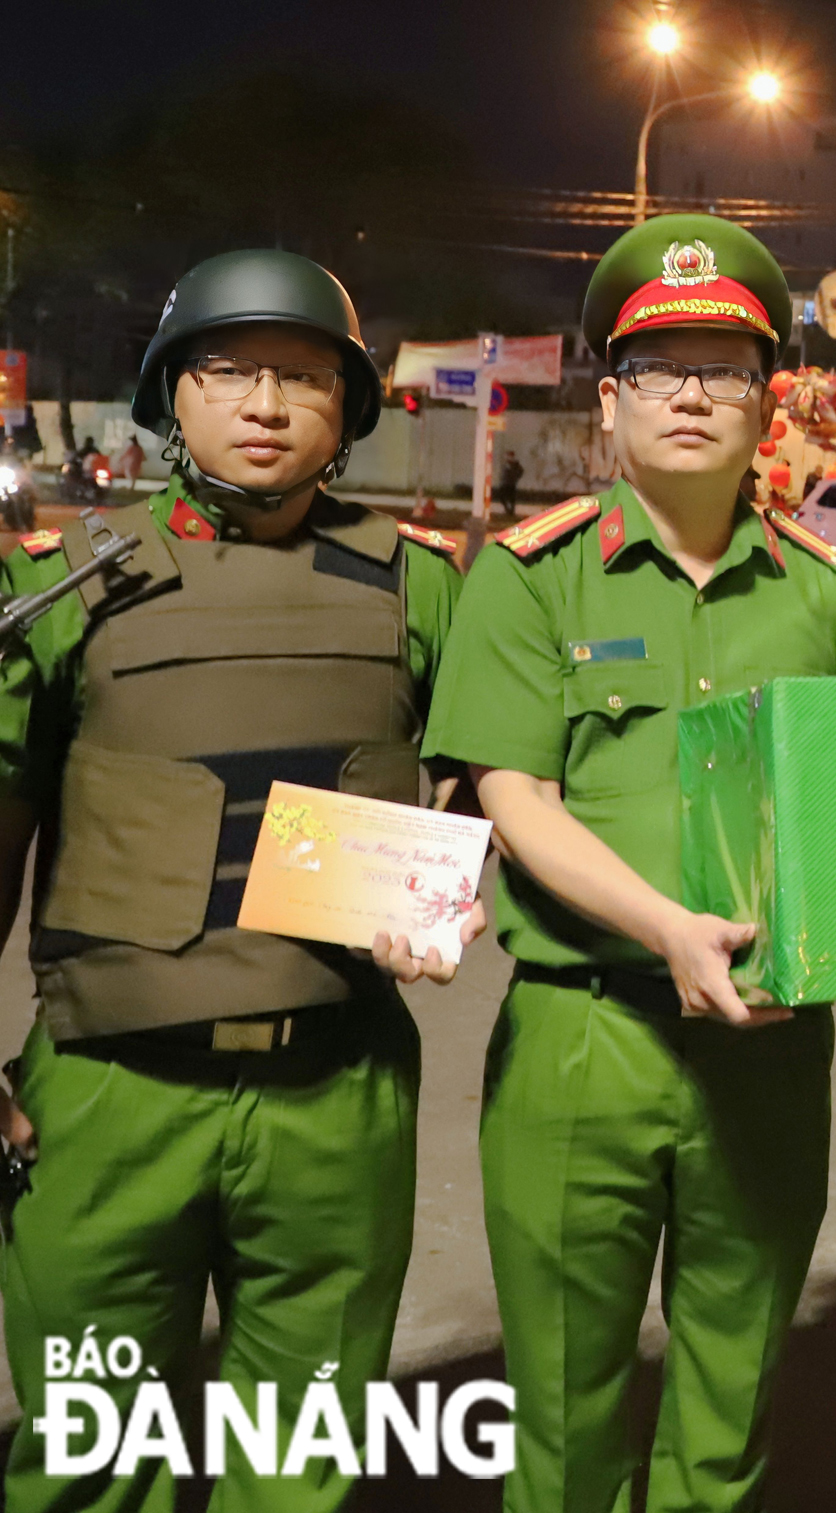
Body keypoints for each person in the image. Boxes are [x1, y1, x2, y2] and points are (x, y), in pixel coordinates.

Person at [0, 248, 477, 1513]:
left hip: (336, 1092)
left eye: (306, 376)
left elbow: (496, 786)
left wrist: (447, 890)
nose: (267, 402)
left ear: (347, 410)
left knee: (302, 1465)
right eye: (231, 369)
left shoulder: (420, 587)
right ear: (173, 397)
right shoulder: (63, 583)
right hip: (107, 1097)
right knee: (93, 1464)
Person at [421, 214, 836, 1512]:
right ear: (608, 402)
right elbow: (514, 794)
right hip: (586, 1038)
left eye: (724, 367)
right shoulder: (530, 578)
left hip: (774, 1043)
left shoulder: (819, 593)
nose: (691, 393)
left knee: (729, 1409)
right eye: (658, 367)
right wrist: (670, 925)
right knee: (564, 1421)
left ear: (768, 400)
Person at [493, 448, 523, 514]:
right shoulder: (506, 464)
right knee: (503, 497)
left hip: (511, 483)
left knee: (511, 498)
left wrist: (515, 478)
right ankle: (508, 510)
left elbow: (520, 472)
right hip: (505, 483)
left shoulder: (515, 465)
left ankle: (511, 511)